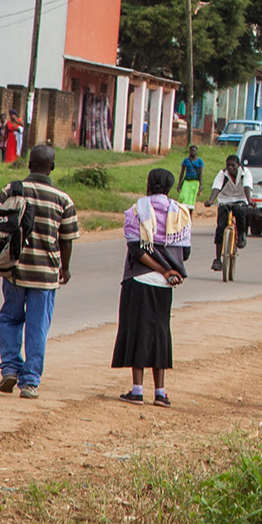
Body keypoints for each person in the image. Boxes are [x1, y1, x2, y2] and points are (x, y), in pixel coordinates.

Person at [0, 144, 79, 399]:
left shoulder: (11, 189)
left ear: (28, 164)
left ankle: (9, 368)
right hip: (46, 275)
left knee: (9, 318)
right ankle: (29, 381)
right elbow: (67, 239)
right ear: (52, 167)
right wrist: (66, 268)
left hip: (14, 270)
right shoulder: (63, 199)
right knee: (37, 327)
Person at [114, 169, 189, 404]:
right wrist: (167, 270)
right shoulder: (182, 214)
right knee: (160, 333)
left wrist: (160, 268)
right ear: (170, 187)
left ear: (148, 184)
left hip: (138, 281)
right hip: (166, 284)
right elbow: (184, 252)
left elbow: (136, 252)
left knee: (137, 331)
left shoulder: (136, 211)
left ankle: (137, 390)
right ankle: (160, 393)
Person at [207, 153, 253, 273]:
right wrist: (211, 200)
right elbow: (216, 187)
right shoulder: (222, 174)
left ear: (238, 165)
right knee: (220, 227)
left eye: (233, 165)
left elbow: (247, 187)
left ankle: (242, 234)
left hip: (240, 199)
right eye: (228, 166)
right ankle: (217, 260)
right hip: (225, 200)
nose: (230, 168)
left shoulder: (245, 173)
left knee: (240, 212)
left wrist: (249, 201)